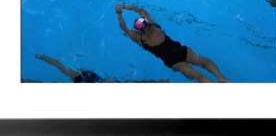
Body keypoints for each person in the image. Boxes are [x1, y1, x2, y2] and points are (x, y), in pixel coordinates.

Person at [115, 4, 230, 83]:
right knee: (202, 60)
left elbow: (124, 28)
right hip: (179, 49)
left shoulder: (140, 38)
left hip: (173, 61)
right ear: (147, 23)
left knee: (198, 76)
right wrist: (126, 7)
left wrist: (119, 14)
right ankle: (220, 76)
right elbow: (141, 11)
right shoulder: (154, 25)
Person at [24, 54, 169, 83]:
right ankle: (43, 57)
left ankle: (43, 57)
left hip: (87, 77)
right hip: (86, 77)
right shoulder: (111, 82)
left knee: (62, 68)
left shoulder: (103, 80)